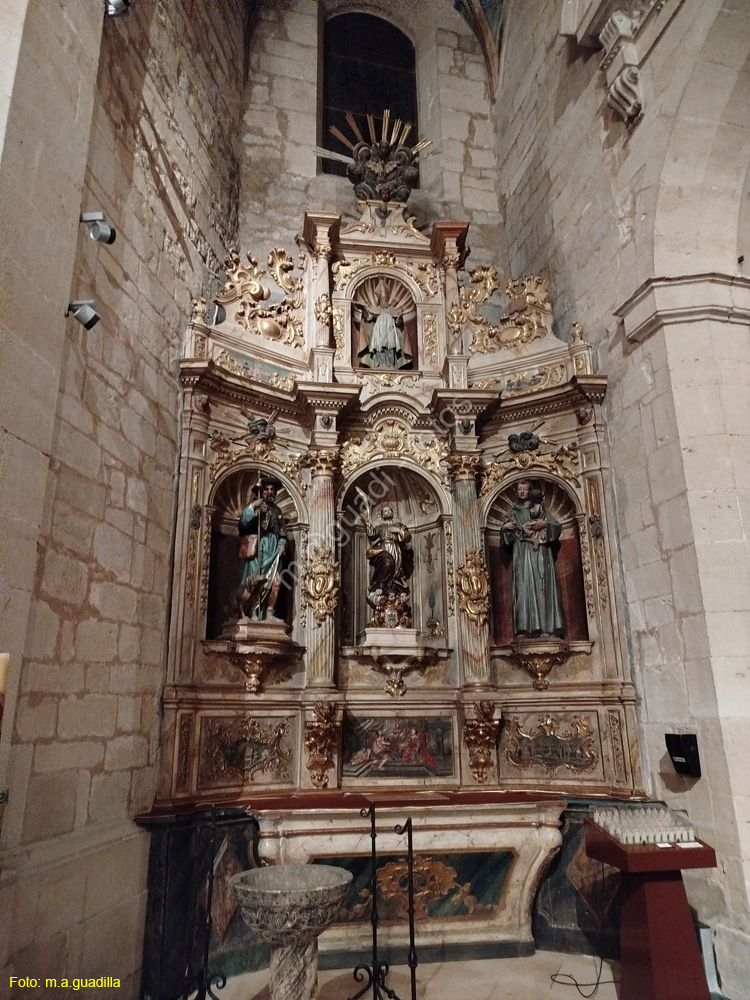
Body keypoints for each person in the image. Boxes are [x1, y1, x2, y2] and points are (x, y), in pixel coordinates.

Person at [502, 480, 564, 637]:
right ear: (516, 492)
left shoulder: (541, 510)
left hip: (540, 552)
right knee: (523, 589)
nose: (522, 492)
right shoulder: (512, 513)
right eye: (519, 489)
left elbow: (556, 527)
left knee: (543, 587)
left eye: (525, 489)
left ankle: (547, 628)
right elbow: (506, 540)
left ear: (530, 491)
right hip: (521, 554)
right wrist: (504, 528)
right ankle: (524, 629)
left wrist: (544, 524)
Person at [237, 475, 288, 623]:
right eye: (266, 489)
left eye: (272, 490)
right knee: (255, 582)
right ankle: (252, 611)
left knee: (276, 581)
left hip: (274, 549)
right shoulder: (255, 506)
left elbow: (282, 532)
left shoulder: (277, 510)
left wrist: (283, 542)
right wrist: (253, 507)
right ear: (262, 491)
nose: (269, 492)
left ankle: (270, 612)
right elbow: (243, 525)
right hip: (259, 548)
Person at [364, 504, 413, 610]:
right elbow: (372, 535)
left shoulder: (398, 525)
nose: (387, 512)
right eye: (384, 511)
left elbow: (408, 537)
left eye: (388, 510)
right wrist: (368, 525)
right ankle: (381, 585)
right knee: (387, 563)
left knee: (395, 569)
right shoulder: (380, 527)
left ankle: (391, 585)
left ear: (392, 512)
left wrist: (399, 531)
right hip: (383, 549)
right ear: (382, 515)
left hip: (395, 549)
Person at [355, 296, 411, 370]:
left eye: (386, 299)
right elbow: (368, 318)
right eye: (382, 300)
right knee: (379, 347)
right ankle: (379, 364)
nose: (384, 301)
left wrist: (399, 316)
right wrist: (363, 308)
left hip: (390, 331)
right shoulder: (376, 310)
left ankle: (391, 364)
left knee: (391, 346)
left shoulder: (392, 310)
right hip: (379, 331)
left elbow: (398, 323)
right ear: (380, 301)